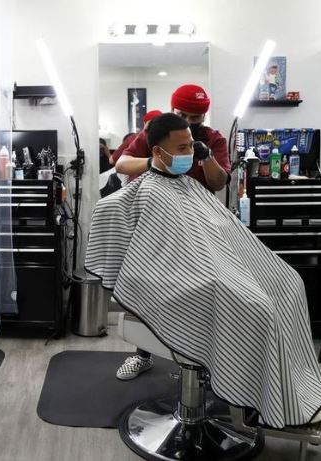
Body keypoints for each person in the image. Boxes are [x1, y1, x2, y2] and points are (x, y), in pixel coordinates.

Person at [86, 113, 321, 428]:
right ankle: (266, 398)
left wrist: (206, 156)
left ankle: (291, 391)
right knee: (259, 306)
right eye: (183, 148)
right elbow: (120, 174)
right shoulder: (147, 189)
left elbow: (218, 194)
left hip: (214, 263)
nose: (189, 154)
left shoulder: (191, 179)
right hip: (184, 279)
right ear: (158, 152)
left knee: (288, 283)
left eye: (192, 147)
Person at [113, 86, 231, 381]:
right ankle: (142, 354)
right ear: (172, 110)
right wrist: (156, 161)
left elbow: (219, 182)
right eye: (183, 115)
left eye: (197, 117)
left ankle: (195, 360)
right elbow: (121, 163)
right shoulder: (156, 131)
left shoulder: (213, 139)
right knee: (149, 290)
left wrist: (206, 158)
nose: (190, 122)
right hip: (153, 223)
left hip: (195, 227)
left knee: (197, 292)